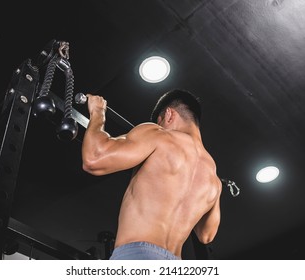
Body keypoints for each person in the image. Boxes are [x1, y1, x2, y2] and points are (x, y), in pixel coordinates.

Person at [81, 89, 222, 260]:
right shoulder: (213, 177)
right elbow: (206, 235)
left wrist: (98, 112)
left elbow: (94, 159)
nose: (159, 126)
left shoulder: (159, 135)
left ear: (169, 114)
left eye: (160, 122)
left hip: (139, 255)